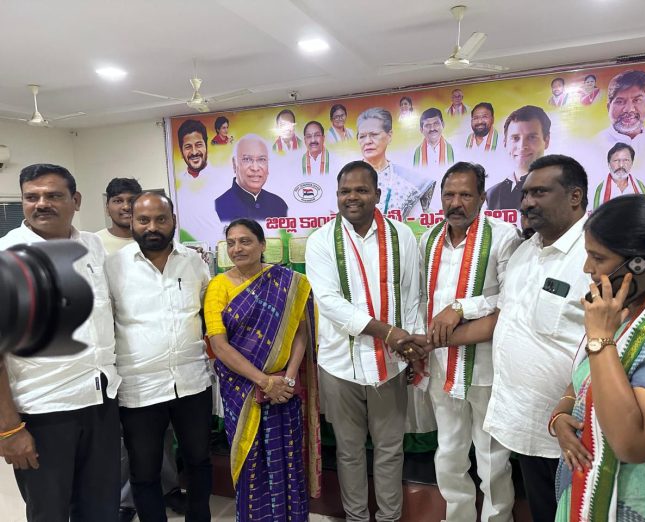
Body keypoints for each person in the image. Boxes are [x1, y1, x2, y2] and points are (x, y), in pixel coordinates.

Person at [553, 194, 645, 521]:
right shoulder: (624, 313)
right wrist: (561, 415)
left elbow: (633, 442)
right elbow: (585, 382)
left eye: (598, 258)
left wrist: (600, 339)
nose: (587, 269)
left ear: (641, 264)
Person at [0, 164, 121, 521]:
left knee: (101, 509)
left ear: (76, 200)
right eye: (31, 197)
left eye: (53, 195)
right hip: (44, 412)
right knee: (49, 513)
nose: (41, 204)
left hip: (100, 403)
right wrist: (9, 428)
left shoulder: (92, 245)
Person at [305, 160, 420, 522]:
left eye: (361, 190)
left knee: (390, 448)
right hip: (340, 363)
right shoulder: (321, 240)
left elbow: (412, 297)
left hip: (391, 364)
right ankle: (356, 517)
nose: (352, 197)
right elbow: (329, 302)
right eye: (345, 191)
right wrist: (388, 332)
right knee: (349, 450)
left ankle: (389, 518)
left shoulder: (402, 235)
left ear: (377, 194)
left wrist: (410, 348)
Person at [405, 162, 521, 521]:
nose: (456, 203)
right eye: (449, 195)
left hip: (485, 366)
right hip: (441, 365)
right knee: (449, 452)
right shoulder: (430, 239)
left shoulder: (503, 236)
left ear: (482, 197)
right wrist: (419, 343)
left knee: (492, 458)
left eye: (466, 194)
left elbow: (511, 300)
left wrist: (461, 307)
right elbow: (422, 299)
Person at [483, 155, 591, 522]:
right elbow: (507, 312)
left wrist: (568, 408)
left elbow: (607, 341)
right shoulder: (525, 251)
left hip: (572, 433)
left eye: (540, 192)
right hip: (527, 425)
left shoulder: (594, 256)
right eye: (526, 193)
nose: (527, 202)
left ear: (575, 197)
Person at [203, 218, 322, 521]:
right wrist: (264, 382)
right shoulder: (218, 286)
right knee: (250, 460)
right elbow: (219, 345)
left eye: (245, 241)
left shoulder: (288, 282)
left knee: (287, 459)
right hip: (242, 390)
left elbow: (300, 332)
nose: (237, 249)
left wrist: (288, 379)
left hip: (284, 390)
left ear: (262, 245)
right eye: (231, 243)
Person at [105, 192, 213, 522]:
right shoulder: (113, 267)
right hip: (139, 388)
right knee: (144, 471)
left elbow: (208, 313)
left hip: (192, 383)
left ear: (173, 221)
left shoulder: (194, 263)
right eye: (144, 220)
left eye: (160, 219)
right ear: (132, 222)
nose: (152, 227)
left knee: (198, 461)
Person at [356, 107, 435, 218]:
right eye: (362, 136)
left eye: (374, 134)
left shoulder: (409, 183)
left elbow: (415, 222)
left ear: (389, 136)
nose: (367, 141)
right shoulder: (347, 179)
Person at [173, 119, 228, 247]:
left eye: (198, 145)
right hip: (188, 253)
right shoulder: (177, 187)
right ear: (181, 151)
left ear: (206, 146)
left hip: (222, 253)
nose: (194, 152)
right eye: (188, 147)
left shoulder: (223, 181)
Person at [486, 105, 551, 211]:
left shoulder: (560, 190)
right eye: (515, 138)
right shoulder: (491, 195)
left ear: (546, 141)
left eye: (532, 137)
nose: (522, 146)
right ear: (505, 143)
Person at [214, 134, 288, 221]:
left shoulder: (279, 205)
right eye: (247, 159)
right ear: (234, 164)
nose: (255, 168)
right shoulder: (218, 207)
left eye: (261, 159)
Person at [595, 70, 645, 158]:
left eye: (636, 100)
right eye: (620, 101)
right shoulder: (593, 144)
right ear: (608, 107)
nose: (628, 109)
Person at [592, 143, 645, 208]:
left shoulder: (640, 187)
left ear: (632, 163)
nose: (621, 165)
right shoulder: (600, 189)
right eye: (616, 160)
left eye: (626, 160)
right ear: (609, 164)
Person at [96, 177, 142, 254]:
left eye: (132, 200)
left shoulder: (151, 240)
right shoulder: (94, 242)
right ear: (107, 208)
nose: (126, 207)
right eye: (118, 201)